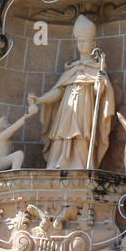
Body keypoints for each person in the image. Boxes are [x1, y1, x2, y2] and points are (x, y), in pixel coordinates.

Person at [29, 14, 116, 170]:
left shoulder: (97, 68)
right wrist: (40, 100)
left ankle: (82, 166)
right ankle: (56, 164)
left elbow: (100, 95)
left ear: (93, 43)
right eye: (79, 41)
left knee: (82, 136)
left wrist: (100, 82)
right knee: (60, 135)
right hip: (65, 111)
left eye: (85, 41)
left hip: (85, 109)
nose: (81, 44)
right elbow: (58, 93)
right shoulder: (71, 69)